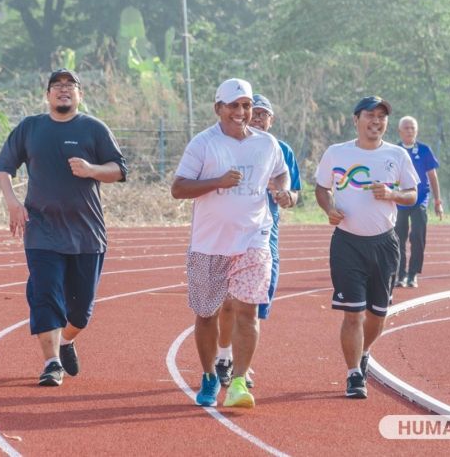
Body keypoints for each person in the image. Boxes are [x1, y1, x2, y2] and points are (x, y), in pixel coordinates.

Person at [0, 68, 127, 387]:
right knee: (45, 296)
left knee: (80, 312)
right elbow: (3, 167)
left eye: (70, 85)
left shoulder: (94, 128)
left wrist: (92, 169)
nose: (63, 89)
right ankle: (51, 362)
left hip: (87, 234)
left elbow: (119, 170)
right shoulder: (31, 127)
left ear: (80, 94)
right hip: (42, 229)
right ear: (48, 94)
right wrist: (12, 202)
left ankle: (66, 340)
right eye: (57, 85)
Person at [171, 78, 290, 409]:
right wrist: (217, 182)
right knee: (206, 314)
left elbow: (280, 173)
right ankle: (210, 375)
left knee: (247, 311)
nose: (241, 112)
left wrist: (282, 189)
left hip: (253, 238)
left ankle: (238, 381)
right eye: (234, 105)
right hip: (209, 243)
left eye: (246, 105)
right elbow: (178, 188)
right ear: (218, 108)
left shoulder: (267, 143)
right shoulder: (203, 143)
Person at [314, 96, 418, 399]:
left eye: (382, 116)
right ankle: (354, 375)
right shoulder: (337, 152)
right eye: (370, 115)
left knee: (377, 315)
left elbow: (412, 194)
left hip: (384, 244)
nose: (376, 121)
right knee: (353, 313)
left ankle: (363, 351)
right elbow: (322, 188)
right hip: (347, 243)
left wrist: (392, 194)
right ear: (356, 119)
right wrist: (329, 208)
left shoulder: (397, 155)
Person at [214, 93, 300, 388]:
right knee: (227, 301)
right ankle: (223, 356)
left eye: (264, 114)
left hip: (264, 236)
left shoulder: (280, 149)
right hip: (227, 233)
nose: (259, 119)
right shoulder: (227, 144)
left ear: (271, 120)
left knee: (251, 304)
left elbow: (294, 193)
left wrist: (286, 196)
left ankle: (242, 365)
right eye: (256, 113)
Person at [393, 116, 443, 288]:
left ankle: (413, 274)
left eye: (412, 128)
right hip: (400, 199)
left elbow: (432, 176)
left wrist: (437, 201)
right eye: (406, 128)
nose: (409, 131)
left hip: (420, 198)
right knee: (398, 238)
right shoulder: (394, 151)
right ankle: (400, 274)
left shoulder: (424, 150)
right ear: (400, 131)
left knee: (417, 236)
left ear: (417, 130)